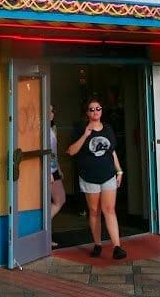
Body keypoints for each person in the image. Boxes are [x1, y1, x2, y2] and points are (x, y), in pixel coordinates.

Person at [67, 97, 126, 259]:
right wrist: (85, 135)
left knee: (109, 210)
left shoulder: (107, 128)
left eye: (98, 108)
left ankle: (117, 247)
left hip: (108, 175)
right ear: (87, 113)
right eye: (91, 109)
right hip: (89, 177)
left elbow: (111, 151)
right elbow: (71, 151)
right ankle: (98, 244)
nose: (95, 112)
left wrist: (119, 171)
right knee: (94, 211)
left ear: (102, 111)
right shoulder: (80, 129)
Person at [49, 104, 65, 247]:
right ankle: (44, 231)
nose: (50, 113)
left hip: (54, 169)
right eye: (47, 110)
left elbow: (54, 152)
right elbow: (43, 152)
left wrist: (58, 168)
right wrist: (49, 172)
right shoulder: (41, 130)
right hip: (48, 172)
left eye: (52, 110)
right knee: (59, 200)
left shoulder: (53, 129)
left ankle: (46, 235)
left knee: (58, 201)